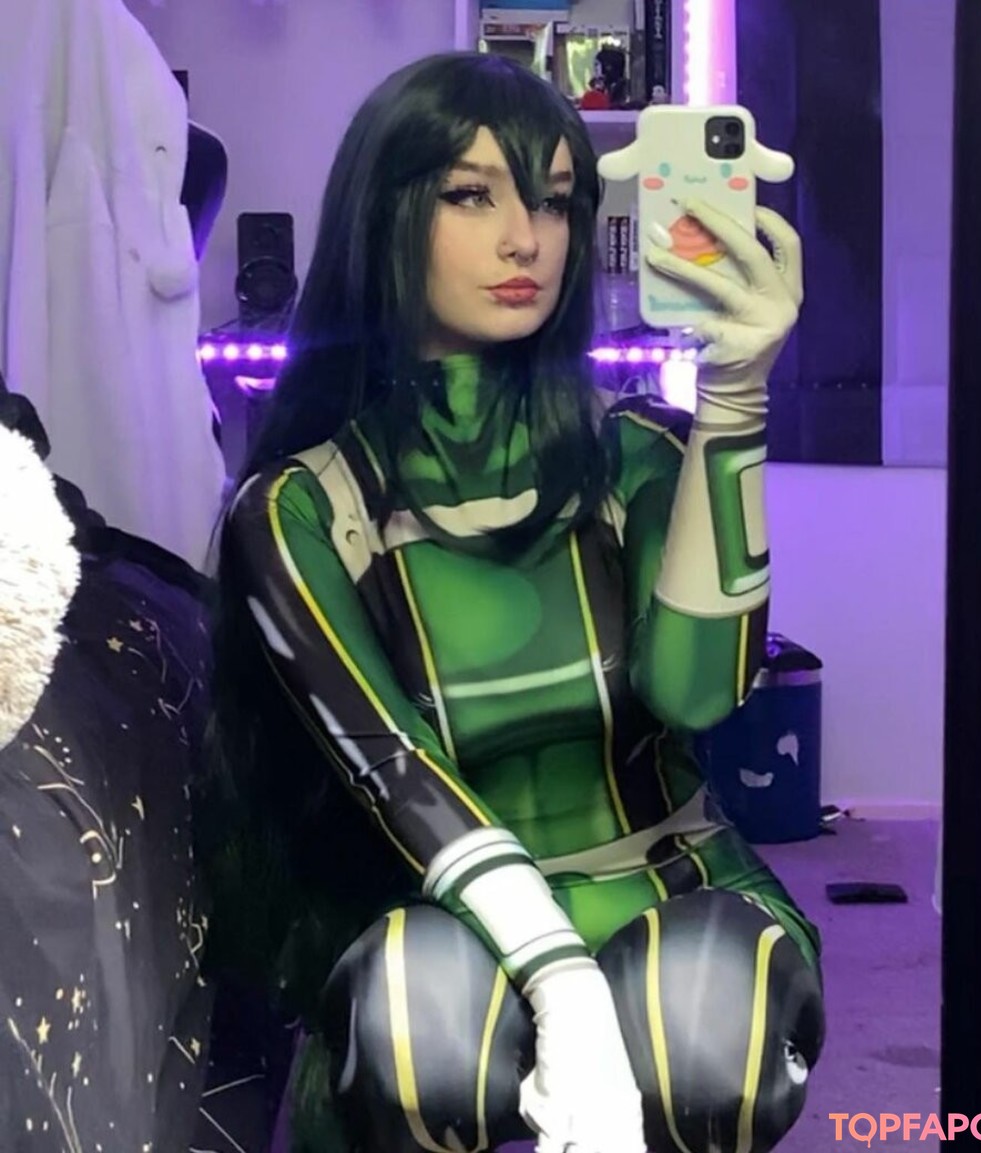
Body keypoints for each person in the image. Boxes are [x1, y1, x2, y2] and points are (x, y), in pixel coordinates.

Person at [197, 49, 825, 1153]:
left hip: (671, 884)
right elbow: (395, 772)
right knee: (418, 1036)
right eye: (470, 194)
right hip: (454, 921)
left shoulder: (639, 451)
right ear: (385, 211)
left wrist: (736, 398)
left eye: (554, 200)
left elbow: (698, 695)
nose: (525, 238)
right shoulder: (300, 510)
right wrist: (562, 980)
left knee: (707, 1032)